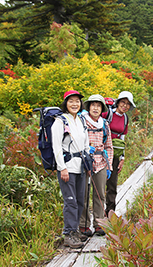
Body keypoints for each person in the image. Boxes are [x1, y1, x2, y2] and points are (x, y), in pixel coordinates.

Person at [52, 90, 90, 249]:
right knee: (70, 202)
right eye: (71, 101)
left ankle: (75, 231)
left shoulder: (81, 120)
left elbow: (86, 143)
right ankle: (68, 233)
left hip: (81, 167)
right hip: (67, 168)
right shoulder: (59, 122)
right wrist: (62, 168)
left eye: (77, 101)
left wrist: (88, 163)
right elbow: (56, 148)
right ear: (65, 104)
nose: (75, 104)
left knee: (80, 200)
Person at [79, 94, 114, 237]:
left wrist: (109, 165)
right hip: (84, 161)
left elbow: (109, 146)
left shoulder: (104, 124)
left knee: (100, 193)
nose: (95, 108)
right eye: (93, 105)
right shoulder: (82, 122)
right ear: (88, 107)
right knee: (84, 194)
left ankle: (99, 223)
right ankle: (84, 224)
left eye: (98, 106)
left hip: (100, 162)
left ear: (102, 109)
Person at [102, 91, 135, 217]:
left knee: (112, 184)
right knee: (100, 183)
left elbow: (122, 139)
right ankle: (99, 214)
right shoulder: (108, 114)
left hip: (115, 154)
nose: (125, 106)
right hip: (102, 153)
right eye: (123, 102)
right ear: (118, 102)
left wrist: (122, 158)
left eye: (127, 104)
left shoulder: (125, 118)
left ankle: (110, 213)